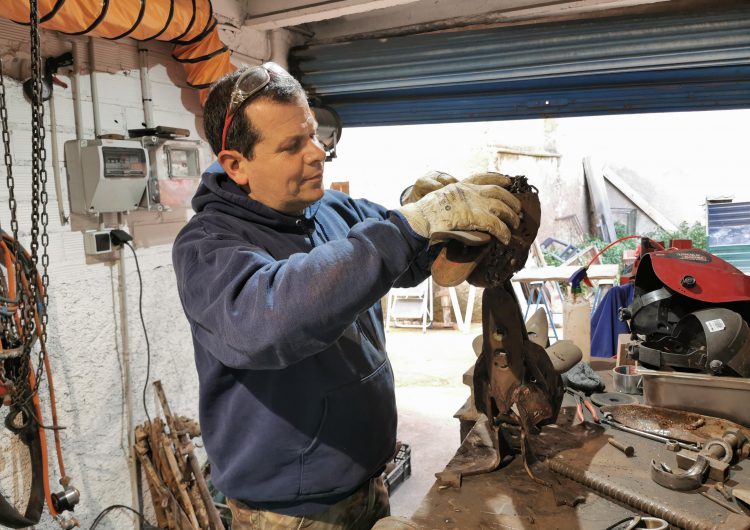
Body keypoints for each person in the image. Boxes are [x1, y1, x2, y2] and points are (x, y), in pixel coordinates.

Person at [172, 62, 522, 530]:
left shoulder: (328, 207)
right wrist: (407, 226)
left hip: (366, 480)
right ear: (236, 164)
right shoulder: (209, 246)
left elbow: (399, 257)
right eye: (292, 145)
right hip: (289, 514)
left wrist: (436, 225)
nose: (316, 154)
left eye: (314, 135)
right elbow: (265, 324)